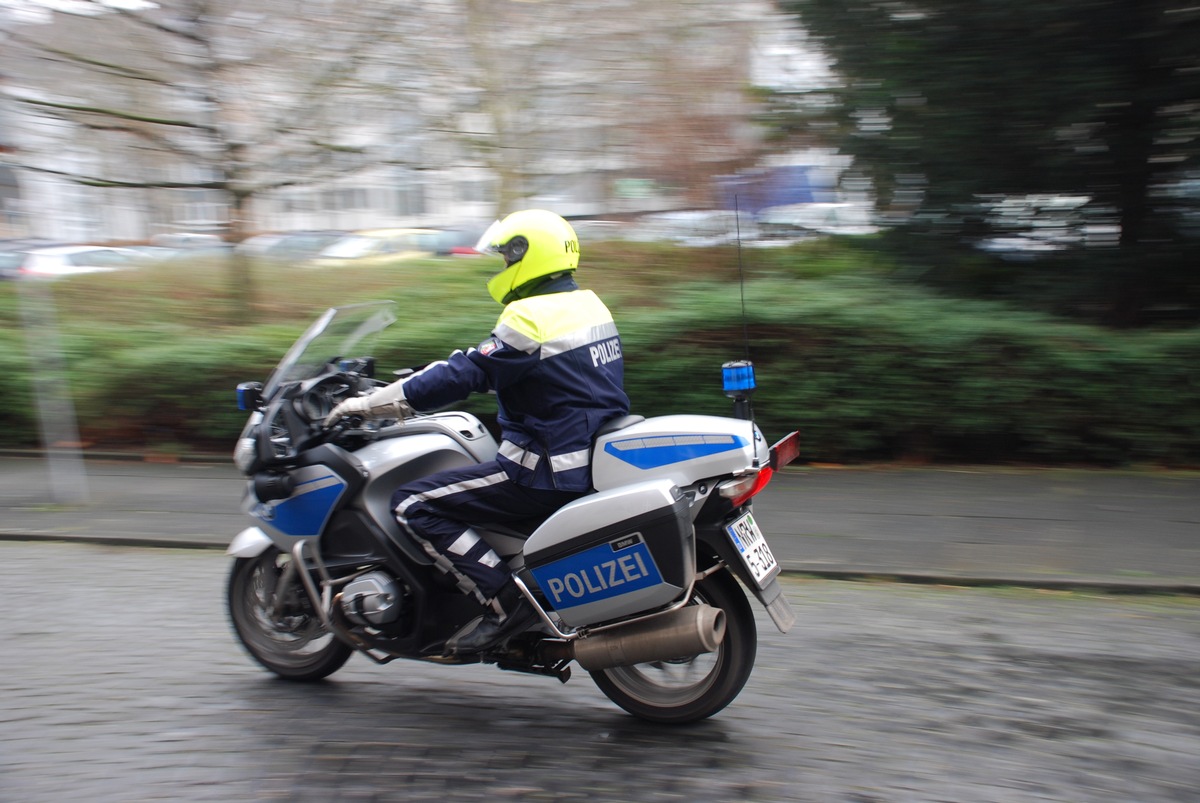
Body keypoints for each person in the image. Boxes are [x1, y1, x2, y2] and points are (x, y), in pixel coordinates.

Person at [324, 209, 629, 654]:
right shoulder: (587, 304)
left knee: (412, 503)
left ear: (528, 256)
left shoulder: (529, 317)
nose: (503, 267)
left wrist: (370, 405)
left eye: (506, 257)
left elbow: (463, 374)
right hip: (585, 454)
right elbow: (550, 378)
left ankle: (504, 602)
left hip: (544, 470)